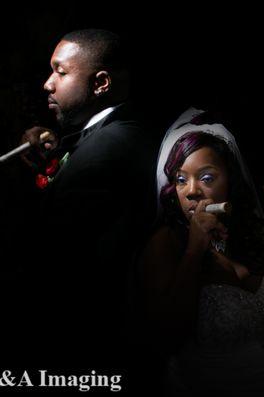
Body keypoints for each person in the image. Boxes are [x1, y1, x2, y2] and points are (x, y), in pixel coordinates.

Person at [12, 29, 158, 370]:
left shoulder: (105, 151)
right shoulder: (117, 133)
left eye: (61, 72)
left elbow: (47, 255)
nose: (48, 83)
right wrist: (55, 150)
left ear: (101, 83)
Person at [139, 108, 264, 397]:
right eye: (180, 179)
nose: (191, 192)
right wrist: (195, 250)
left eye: (207, 178)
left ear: (232, 181)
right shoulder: (165, 245)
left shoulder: (251, 231)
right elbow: (164, 339)